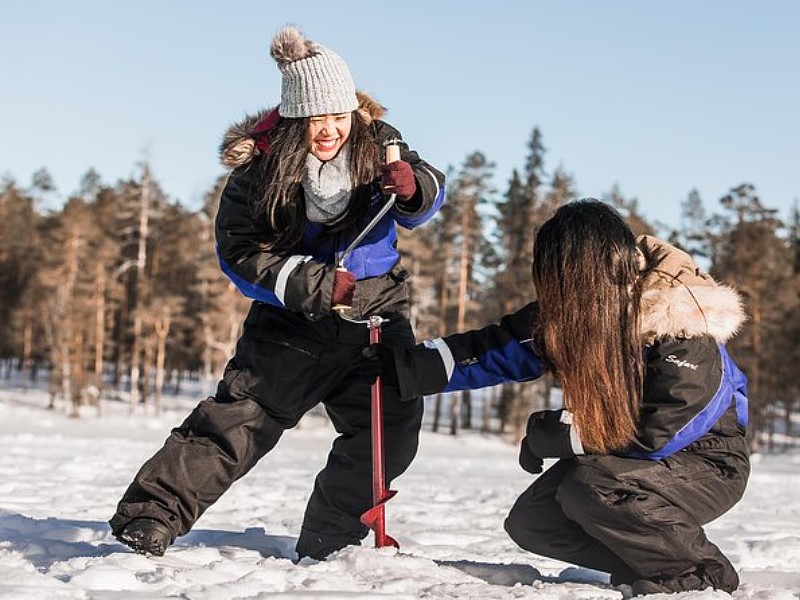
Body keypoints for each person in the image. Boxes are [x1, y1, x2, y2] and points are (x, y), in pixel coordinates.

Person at [109, 25, 445, 561]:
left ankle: (331, 539)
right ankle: (153, 513)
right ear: (294, 119)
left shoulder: (383, 143)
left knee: (388, 437)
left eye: (339, 116)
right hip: (292, 323)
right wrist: (315, 284)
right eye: (317, 119)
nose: (330, 129)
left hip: (376, 318)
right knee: (237, 422)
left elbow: (425, 196)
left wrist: (414, 185)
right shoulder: (258, 171)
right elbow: (239, 254)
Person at [361, 199, 749, 595]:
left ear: (598, 268)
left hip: (706, 462)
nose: (557, 292)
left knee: (591, 487)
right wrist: (406, 366)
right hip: (621, 459)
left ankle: (702, 573)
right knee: (535, 520)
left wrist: (563, 436)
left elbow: (662, 429)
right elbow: (496, 350)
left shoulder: (681, 324)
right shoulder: (581, 314)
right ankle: (655, 563)